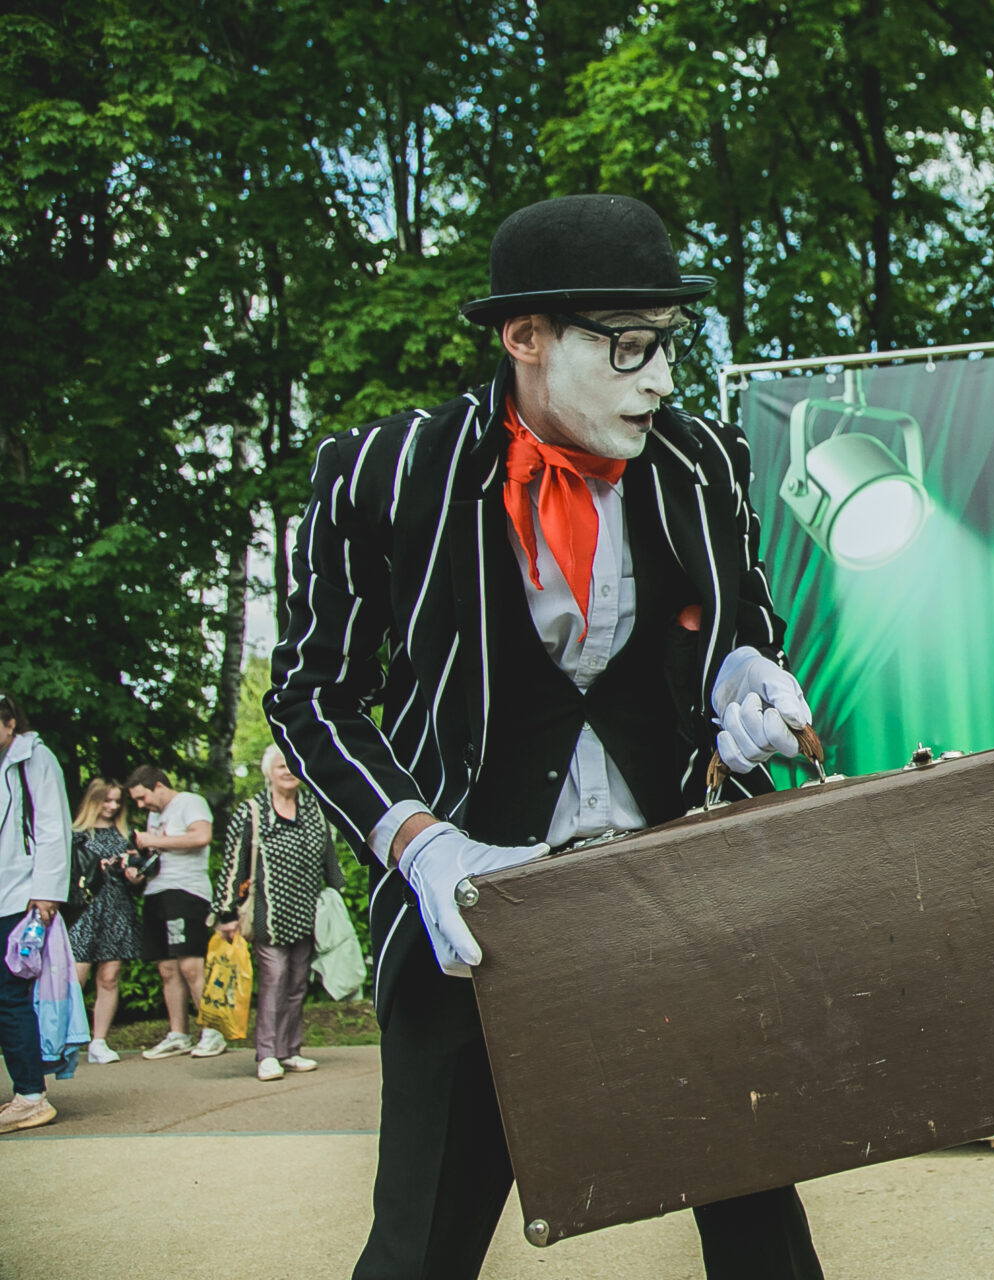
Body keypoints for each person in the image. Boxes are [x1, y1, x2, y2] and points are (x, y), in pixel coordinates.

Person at [266, 194, 825, 1280]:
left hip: (682, 895)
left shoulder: (704, 463)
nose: (660, 379)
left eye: (671, 342)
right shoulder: (383, 471)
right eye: (630, 345)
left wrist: (743, 677)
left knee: (762, 1233)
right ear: (525, 337)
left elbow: (742, 623)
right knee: (421, 1246)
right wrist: (420, 842)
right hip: (471, 919)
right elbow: (311, 694)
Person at [214, 745, 345, 1081]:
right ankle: (267, 1054)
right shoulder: (252, 812)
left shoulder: (315, 809)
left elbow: (329, 856)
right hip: (267, 914)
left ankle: (290, 1051)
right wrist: (226, 912)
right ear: (268, 772)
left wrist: (338, 889)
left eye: (291, 765)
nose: (287, 771)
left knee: (298, 983)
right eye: (280, 766)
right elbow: (234, 863)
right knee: (274, 980)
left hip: (306, 912)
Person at [0, 693, 71, 1133]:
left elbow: (52, 826)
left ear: (10, 723)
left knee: (10, 995)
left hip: (20, 896)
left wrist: (46, 894)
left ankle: (30, 1095)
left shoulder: (35, 758)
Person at [125, 765, 225, 1060]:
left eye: (142, 797)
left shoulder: (190, 802)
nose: (141, 805)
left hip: (186, 892)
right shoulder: (155, 816)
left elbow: (201, 836)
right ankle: (179, 1034)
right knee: (167, 968)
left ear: (158, 786)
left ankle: (213, 1031)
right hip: (156, 891)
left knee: (191, 964)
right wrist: (138, 869)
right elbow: (158, 853)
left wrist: (153, 840)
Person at [68, 778, 141, 1064]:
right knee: (75, 977)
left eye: (117, 801)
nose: (112, 806)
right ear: (93, 801)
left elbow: (137, 878)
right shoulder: (76, 835)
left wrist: (134, 874)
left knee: (110, 977)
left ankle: (99, 1042)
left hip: (117, 908)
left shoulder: (126, 835)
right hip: (83, 910)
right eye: (106, 800)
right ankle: (63, 1037)